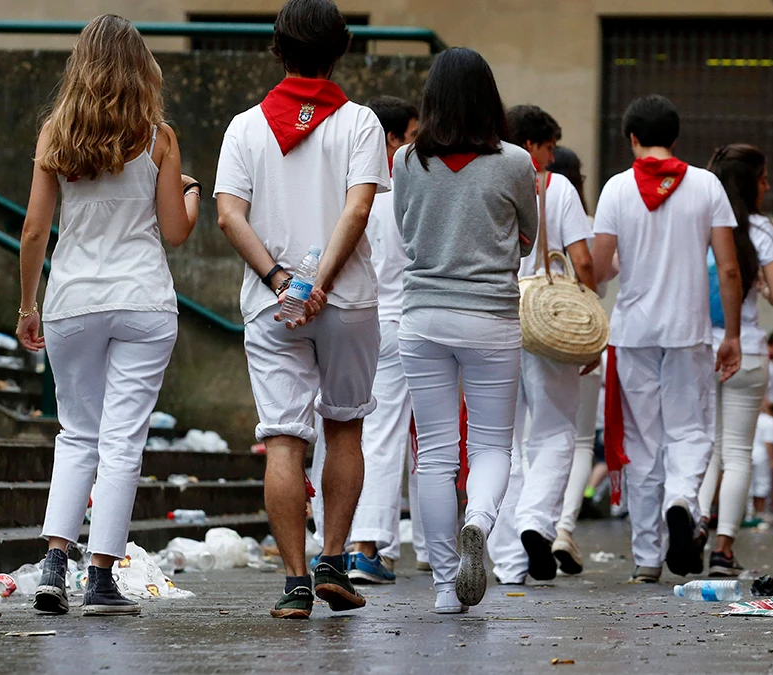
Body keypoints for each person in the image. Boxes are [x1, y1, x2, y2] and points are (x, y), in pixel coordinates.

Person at [16, 14, 200, 616]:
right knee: (123, 441)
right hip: (143, 300)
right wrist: (192, 194)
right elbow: (175, 231)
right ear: (140, 68)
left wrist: (26, 306)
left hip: (73, 300)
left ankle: (52, 563)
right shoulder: (158, 138)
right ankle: (99, 579)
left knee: (77, 433)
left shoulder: (55, 135)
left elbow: (35, 230)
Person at [215, 0, 389, 619]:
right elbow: (358, 210)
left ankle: (293, 583)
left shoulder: (244, 126)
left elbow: (229, 215)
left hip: (272, 304)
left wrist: (282, 280)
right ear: (340, 50)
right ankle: (334, 561)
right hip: (347, 299)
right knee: (344, 427)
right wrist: (320, 282)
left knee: (284, 440)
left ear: (277, 49)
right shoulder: (362, 123)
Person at [392, 48, 537, 613]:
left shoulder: (406, 161)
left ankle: (444, 589)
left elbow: (406, 231)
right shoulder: (515, 163)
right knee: (492, 443)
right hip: (491, 318)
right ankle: (478, 519)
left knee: (434, 454)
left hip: (423, 316)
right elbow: (527, 235)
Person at [592, 94, 743, 582]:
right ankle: (683, 501)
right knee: (690, 432)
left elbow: (598, 267)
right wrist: (734, 334)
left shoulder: (616, 189)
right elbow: (729, 268)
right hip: (688, 332)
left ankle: (646, 560)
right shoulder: (706, 185)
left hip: (632, 332)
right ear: (675, 137)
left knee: (641, 441)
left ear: (632, 138)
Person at [311, 95, 419, 585]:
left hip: (336, 314)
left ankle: (326, 540)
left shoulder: (338, 192)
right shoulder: (404, 195)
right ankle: (365, 544)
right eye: (411, 137)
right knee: (379, 434)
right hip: (393, 321)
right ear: (390, 140)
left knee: (326, 431)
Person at [488, 112, 596, 585]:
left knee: (500, 443)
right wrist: (590, 317)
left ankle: (509, 563)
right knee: (554, 433)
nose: (554, 157)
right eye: (551, 147)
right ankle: (536, 521)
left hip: (492, 318)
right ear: (533, 145)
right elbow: (584, 258)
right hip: (549, 322)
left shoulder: (484, 176)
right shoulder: (555, 188)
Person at [695, 144, 773, 577]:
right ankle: (723, 549)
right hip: (746, 350)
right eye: (764, 178)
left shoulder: (698, 223)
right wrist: (765, 291)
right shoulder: (758, 228)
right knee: (736, 453)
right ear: (748, 183)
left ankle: (694, 526)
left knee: (704, 449)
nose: (768, 186)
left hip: (698, 350)